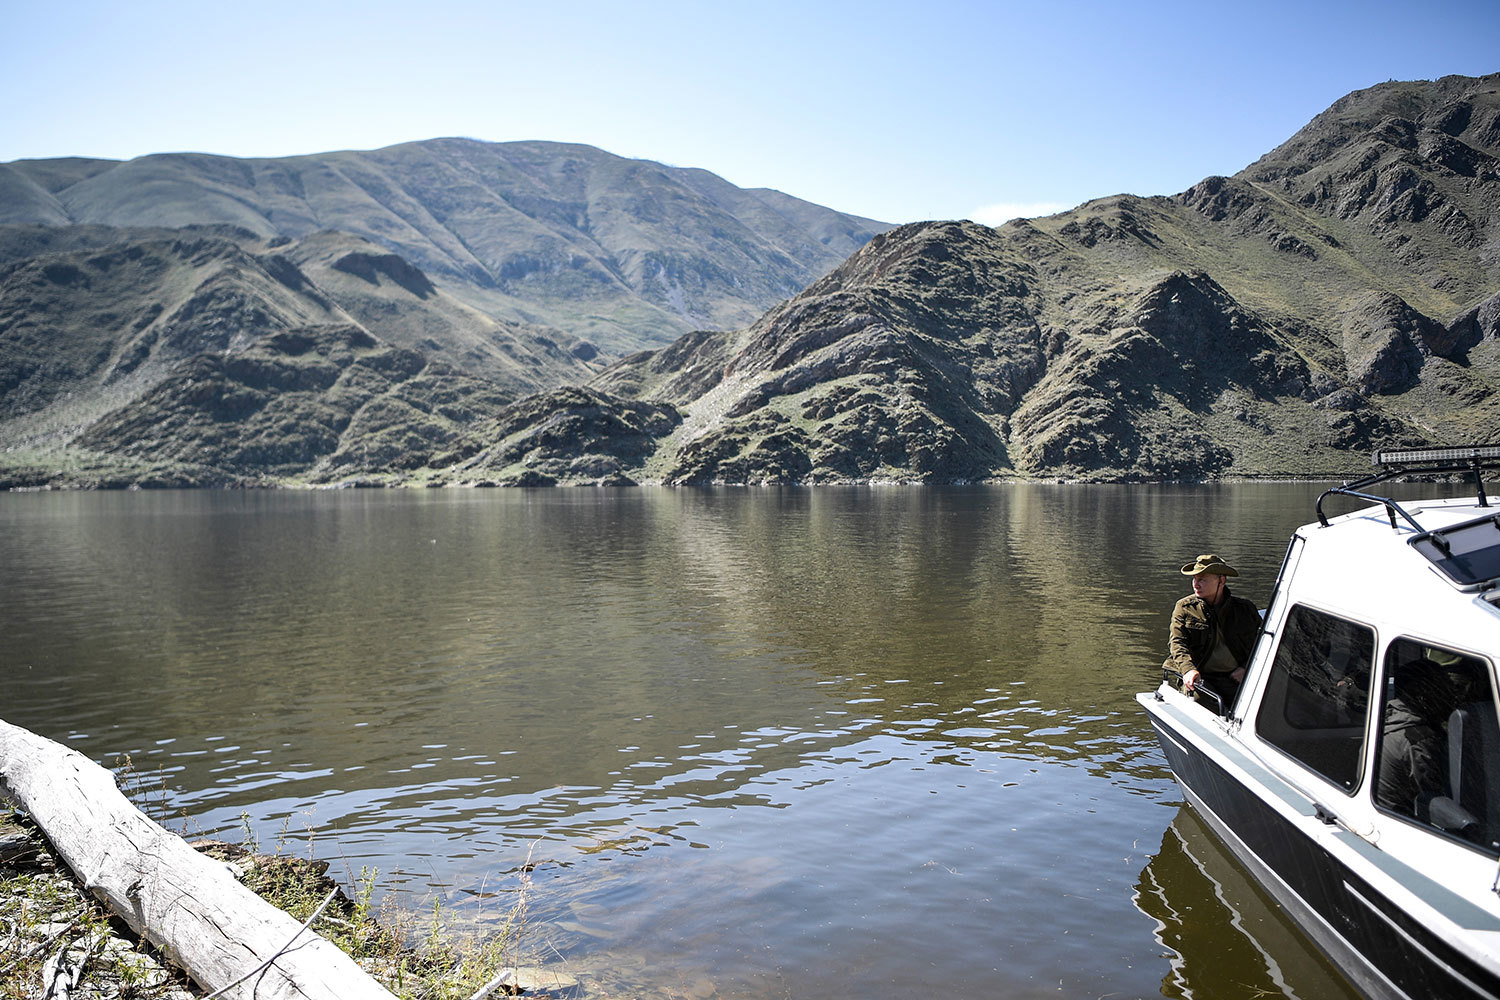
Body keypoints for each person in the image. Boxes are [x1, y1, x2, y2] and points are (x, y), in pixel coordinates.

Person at [1166, 554, 1261, 713]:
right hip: (1201, 677)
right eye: (1195, 579)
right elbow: (1177, 643)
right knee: (1199, 701)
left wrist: (1247, 668)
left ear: (1221, 581)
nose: (1196, 584)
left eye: (1202, 579)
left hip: (1235, 677)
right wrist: (1188, 669)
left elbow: (1263, 644)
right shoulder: (1184, 607)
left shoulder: (1245, 609)